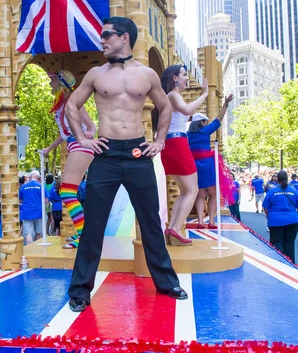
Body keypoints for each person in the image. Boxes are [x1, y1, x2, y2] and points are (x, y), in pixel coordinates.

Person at [65, 16, 187, 312]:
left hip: (137, 154)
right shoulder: (96, 74)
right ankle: (80, 290)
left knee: (150, 222)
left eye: (107, 35)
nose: (102, 40)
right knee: (93, 225)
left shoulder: (146, 75)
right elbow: (72, 105)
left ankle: (167, 282)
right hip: (105, 154)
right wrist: (83, 139)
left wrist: (159, 141)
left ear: (124, 38)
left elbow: (165, 107)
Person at [42, 69, 96, 249]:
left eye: (52, 81)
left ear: (61, 84)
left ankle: (84, 236)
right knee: (68, 192)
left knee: (67, 192)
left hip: (81, 145)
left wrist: (89, 133)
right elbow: (64, 134)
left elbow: (91, 125)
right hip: (74, 144)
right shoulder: (62, 106)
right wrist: (49, 148)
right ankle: (83, 232)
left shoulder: (74, 102)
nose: (50, 84)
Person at [156, 65, 208, 244]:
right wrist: (204, 95)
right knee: (192, 190)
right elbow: (187, 111)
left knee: (184, 191)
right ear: (175, 78)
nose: (187, 77)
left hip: (172, 143)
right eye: (184, 74)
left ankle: (172, 228)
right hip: (177, 143)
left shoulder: (169, 97)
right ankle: (177, 228)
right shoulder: (173, 95)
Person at [187, 94, 234, 229]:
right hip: (207, 164)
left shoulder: (188, 135)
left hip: (195, 166)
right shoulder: (205, 131)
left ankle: (201, 221)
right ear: (201, 122)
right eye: (205, 121)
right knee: (213, 193)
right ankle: (211, 222)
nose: (206, 123)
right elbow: (219, 119)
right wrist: (225, 104)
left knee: (200, 194)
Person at [262, 170, 298, 263]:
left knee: (277, 244)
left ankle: (278, 264)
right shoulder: (294, 191)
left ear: (277, 179)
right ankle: (291, 265)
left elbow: (265, 207)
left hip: (275, 221)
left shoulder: (272, 191)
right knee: (289, 244)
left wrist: (268, 216)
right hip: (292, 220)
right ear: (287, 178)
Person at [19, 170, 48, 244]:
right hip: (39, 212)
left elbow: (20, 200)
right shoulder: (41, 186)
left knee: (28, 233)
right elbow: (46, 200)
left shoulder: (23, 186)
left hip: (27, 212)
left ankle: (30, 251)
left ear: (30, 176)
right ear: (38, 177)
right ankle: (37, 250)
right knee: (38, 232)